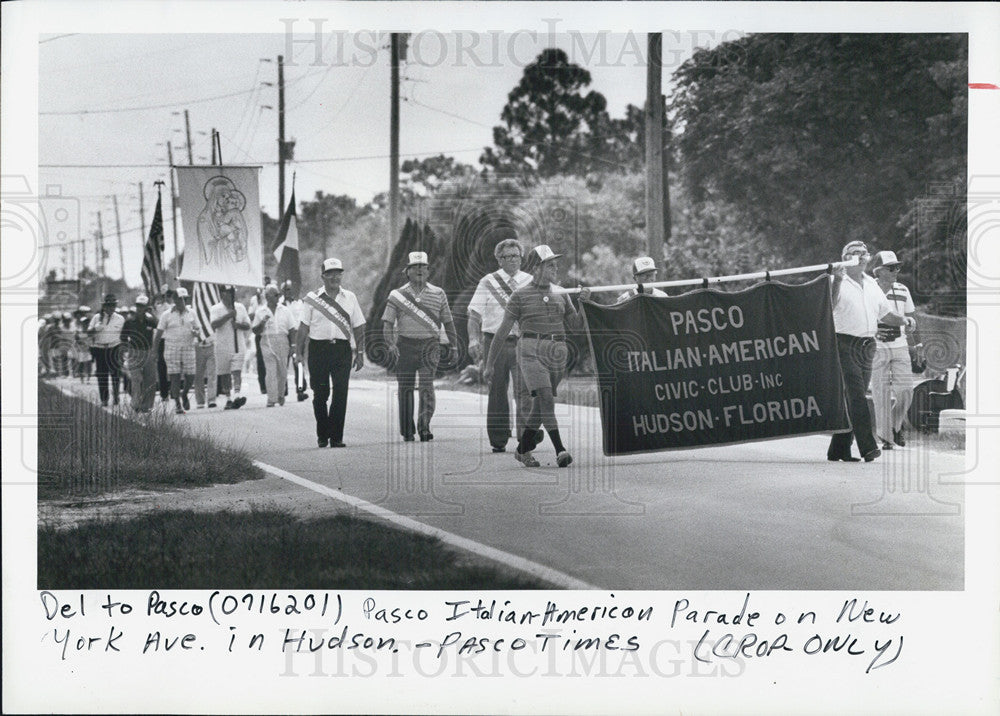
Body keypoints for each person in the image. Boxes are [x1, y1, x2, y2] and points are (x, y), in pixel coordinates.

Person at [484, 244, 590, 468]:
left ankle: (522, 450)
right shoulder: (520, 295)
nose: (555, 267)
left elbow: (576, 325)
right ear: (536, 267)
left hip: (558, 351)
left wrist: (583, 302)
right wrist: (489, 364)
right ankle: (560, 450)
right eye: (549, 264)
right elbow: (502, 331)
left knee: (539, 407)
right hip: (530, 349)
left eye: (555, 263)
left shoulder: (562, 294)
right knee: (546, 399)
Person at [827, 241, 915, 463]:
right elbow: (828, 305)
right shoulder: (836, 279)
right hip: (843, 342)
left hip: (867, 345)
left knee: (853, 397)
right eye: (854, 253)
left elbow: (885, 314)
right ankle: (868, 447)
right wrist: (837, 278)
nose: (860, 256)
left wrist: (903, 319)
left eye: (863, 253)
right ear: (845, 257)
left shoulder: (872, 285)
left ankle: (838, 449)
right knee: (856, 395)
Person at [382, 251, 458, 442]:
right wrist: (390, 344)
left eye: (423, 267)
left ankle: (424, 427)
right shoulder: (397, 295)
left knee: (426, 386)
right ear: (407, 271)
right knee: (405, 387)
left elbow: (448, 322)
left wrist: (455, 346)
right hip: (405, 345)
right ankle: (407, 430)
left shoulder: (439, 293)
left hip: (430, 345)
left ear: (428, 270)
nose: (419, 270)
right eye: (415, 267)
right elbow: (387, 323)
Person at [467, 237, 533, 452]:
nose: (512, 260)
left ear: (521, 257)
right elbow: (474, 314)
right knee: (497, 391)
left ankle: (526, 438)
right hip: (494, 342)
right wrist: (473, 339)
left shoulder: (531, 281)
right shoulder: (488, 282)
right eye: (507, 257)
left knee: (524, 391)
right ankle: (498, 439)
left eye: (516, 256)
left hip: (523, 342)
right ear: (499, 260)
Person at [296, 258, 366, 448]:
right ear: (323, 276)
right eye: (330, 273)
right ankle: (322, 433)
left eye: (338, 273)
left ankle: (336, 437)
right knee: (320, 393)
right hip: (319, 350)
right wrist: (299, 352)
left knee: (341, 391)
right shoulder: (312, 298)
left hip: (342, 350)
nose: (335, 277)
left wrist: (360, 352)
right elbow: (303, 327)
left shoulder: (350, 297)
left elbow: (359, 326)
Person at [869, 250, 923, 450]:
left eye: (897, 267)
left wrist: (918, 345)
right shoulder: (868, 289)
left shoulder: (902, 290)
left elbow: (912, 318)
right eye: (891, 268)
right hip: (877, 348)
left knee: (906, 391)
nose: (896, 271)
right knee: (881, 394)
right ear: (879, 271)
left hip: (900, 346)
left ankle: (894, 425)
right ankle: (886, 438)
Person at [152, 286, 199, 414]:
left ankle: (184, 394)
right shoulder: (166, 315)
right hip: (172, 347)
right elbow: (159, 332)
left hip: (188, 346)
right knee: (175, 376)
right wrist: (155, 351)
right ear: (174, 300)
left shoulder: (192, 313)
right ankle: (178, 403)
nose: (182, 301)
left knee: (191, 375)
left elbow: (198, 329)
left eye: (184, 298)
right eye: (179, 299)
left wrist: (196, 332)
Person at [253, 284, 297, 407]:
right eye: (276, 294)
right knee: (270, 370)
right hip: (267, 340)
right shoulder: (260, 311)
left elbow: (292, 328)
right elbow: (255, 330)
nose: (279, 297)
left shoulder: (285, 310)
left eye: (279, 294)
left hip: (282, 340)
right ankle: (271, 398)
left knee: (282, 370)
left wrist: (293, 344)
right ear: (267, 296)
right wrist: (262, 322)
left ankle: (280, 394)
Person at [209, 285, 251, 410]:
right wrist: (228, 316)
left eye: (232, 292)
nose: (230, 295)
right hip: (222, 346)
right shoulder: (215, 309)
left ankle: (237, 395)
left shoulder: (240, 307)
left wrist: (238, 325)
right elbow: (214, 324)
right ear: (222, 294)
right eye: (227, 293)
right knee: (225, 373)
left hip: (238, 345)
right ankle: (228, 398)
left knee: (236, 371)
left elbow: (247, 325)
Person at [121, 295, 160, 412]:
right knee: (136, 379)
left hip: (148, 351)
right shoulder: (129, 322)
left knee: (150, 379)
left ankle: (147, 405)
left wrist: (152, 314)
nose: (140, 309)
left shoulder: (151, 320)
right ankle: (136, 404)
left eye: (142, 306)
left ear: (146, 308)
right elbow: (123, 337)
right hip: (134, 352)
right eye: (138, 306)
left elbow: (159, 325)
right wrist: (126, 350)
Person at [87, 293, 125, 406]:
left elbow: (124, 335)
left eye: (113, 305)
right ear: (104, 306)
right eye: (108, 305)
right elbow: (89, 333)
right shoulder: (96, 318)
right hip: (100, 348)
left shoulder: (120, 318)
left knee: (115, 374)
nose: (111, 308)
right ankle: (104, 399)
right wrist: (97, 327)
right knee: (102, 375)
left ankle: (116, 395)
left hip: (115, 347)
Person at [281, 280, 309, 401]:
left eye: (290, 289)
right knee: (283, 363)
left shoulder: (300, 303)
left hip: (297, 335)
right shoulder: (280, 304)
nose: (288, 292)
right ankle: (283, 388)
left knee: (298, 362)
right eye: (286, 290)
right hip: (285, 335)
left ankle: (300, 389)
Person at [73, 306, 93, 382]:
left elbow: (92, 340)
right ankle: (82, 378)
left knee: (88, 364)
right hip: (81, 351)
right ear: (81, 323)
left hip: (88, 350)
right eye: (84, 322)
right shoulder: (78, 331)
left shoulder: (90, 332)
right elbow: (76, 341)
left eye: (86, 322)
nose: (85, 324)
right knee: (81, 365)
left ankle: (88, 378)